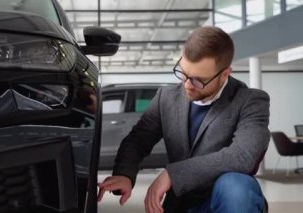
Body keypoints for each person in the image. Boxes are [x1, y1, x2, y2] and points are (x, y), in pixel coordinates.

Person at [97, 26, 270, 213]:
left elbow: (242, 156)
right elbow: (138, 140)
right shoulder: (166, 98)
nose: (187, 85)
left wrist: (173, 174)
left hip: (227, 201)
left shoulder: (250, 101)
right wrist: (125, 174)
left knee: (236, 186)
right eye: (184, 73)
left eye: (198, 80)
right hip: (180, 203)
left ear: (224, 74)